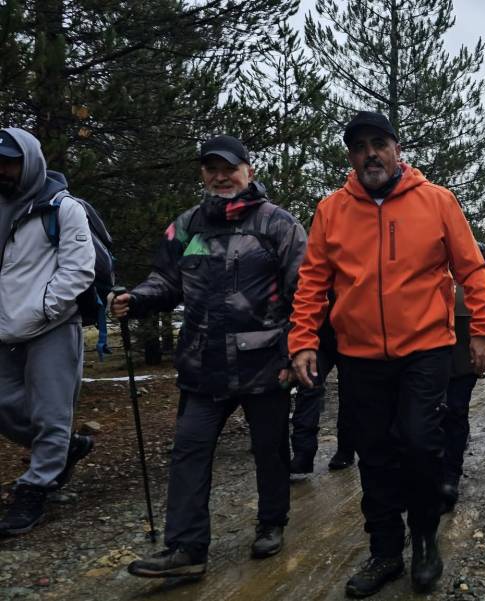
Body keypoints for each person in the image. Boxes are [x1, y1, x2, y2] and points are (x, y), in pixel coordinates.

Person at [288, 111, 485, 598]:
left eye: (379, 143)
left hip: (425, 349)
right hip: (360, 354)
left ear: (397, 148)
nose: (370, 154)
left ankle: (424, 537)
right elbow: (312, 284)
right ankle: (385, 549)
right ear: (351, 156)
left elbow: (472, 268)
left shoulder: (437, 201)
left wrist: (484, 330)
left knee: (422, 442)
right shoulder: (332, 210)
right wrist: (302, 340)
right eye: (360, 147)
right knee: (374, 451)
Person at [114, 135, 307, 577]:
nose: (220, 177)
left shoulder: (278, 224)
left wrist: (299, 348)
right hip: (202, 366)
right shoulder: (186, 227)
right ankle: (186, 548)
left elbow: (306, 291)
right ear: (203, 174)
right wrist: (137, 298)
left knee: (270, 449)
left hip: (265, 364)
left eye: (229, 169)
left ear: (248, 171)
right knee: (189, 450)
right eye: (211, 169)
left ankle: (271, 522)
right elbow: (165, 281)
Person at [0, 128, 96, 536]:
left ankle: (35, 488)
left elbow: (79, 268)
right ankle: (64, 449)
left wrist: (44, 309)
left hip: (52, 326)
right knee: (6, 405)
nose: (4, 169)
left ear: (31, 161)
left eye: (11, 161)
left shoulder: (62, 208)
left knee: (51, 412)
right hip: (5, 328)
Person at [441, 273, 485, 513]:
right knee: (428, 415)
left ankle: (450, 477)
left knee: (456, 411)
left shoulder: (470, 262)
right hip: (426, 350)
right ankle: (429, 474)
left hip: (464, 351)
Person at [288, 291, 356, 480]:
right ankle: (303, 453)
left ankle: (346, 449)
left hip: (351, 335)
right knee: (309, 386)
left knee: (350, 395)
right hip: (318, 337)